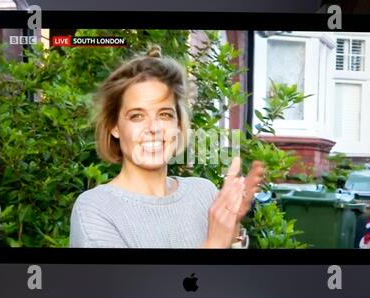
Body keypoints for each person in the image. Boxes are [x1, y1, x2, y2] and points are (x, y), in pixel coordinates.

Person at [69, 46, 264, 248]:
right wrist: (214, 244)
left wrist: (231, 230)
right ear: (114, 127)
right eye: (137, 116)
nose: (154, 128)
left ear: (178, 124)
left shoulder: (204, 193)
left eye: (165, 115)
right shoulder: (95, 208)